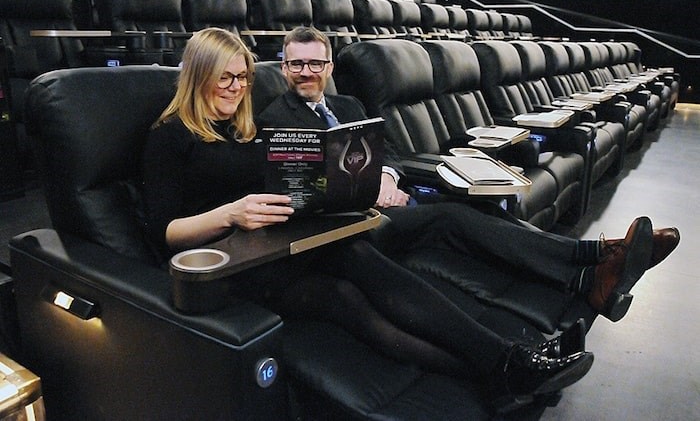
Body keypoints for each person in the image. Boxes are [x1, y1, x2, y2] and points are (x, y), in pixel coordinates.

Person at [139, 28, 666, 413]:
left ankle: (511, 367)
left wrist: (326, 191)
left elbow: (291, 185)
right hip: (240, 267)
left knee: (365, 276)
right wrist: (229, 212)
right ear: (197, 74)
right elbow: (165, 230)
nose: (235, 88)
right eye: (224, 78)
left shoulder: (247, 128)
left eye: (242, 78)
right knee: (355, 285)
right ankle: (510, 362)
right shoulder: (170, 136)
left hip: (290, 243)